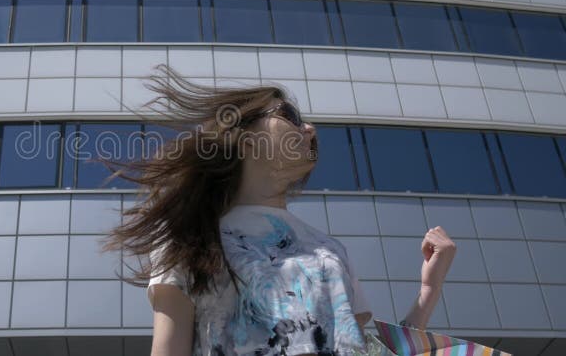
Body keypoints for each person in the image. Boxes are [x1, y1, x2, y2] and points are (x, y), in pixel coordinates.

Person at [100, 64, 457, 356]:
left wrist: (428, 293)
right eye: (290, 115)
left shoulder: (330, 252)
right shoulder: (191, 241)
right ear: (244, 135)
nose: (310, 129)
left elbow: (366, 351)